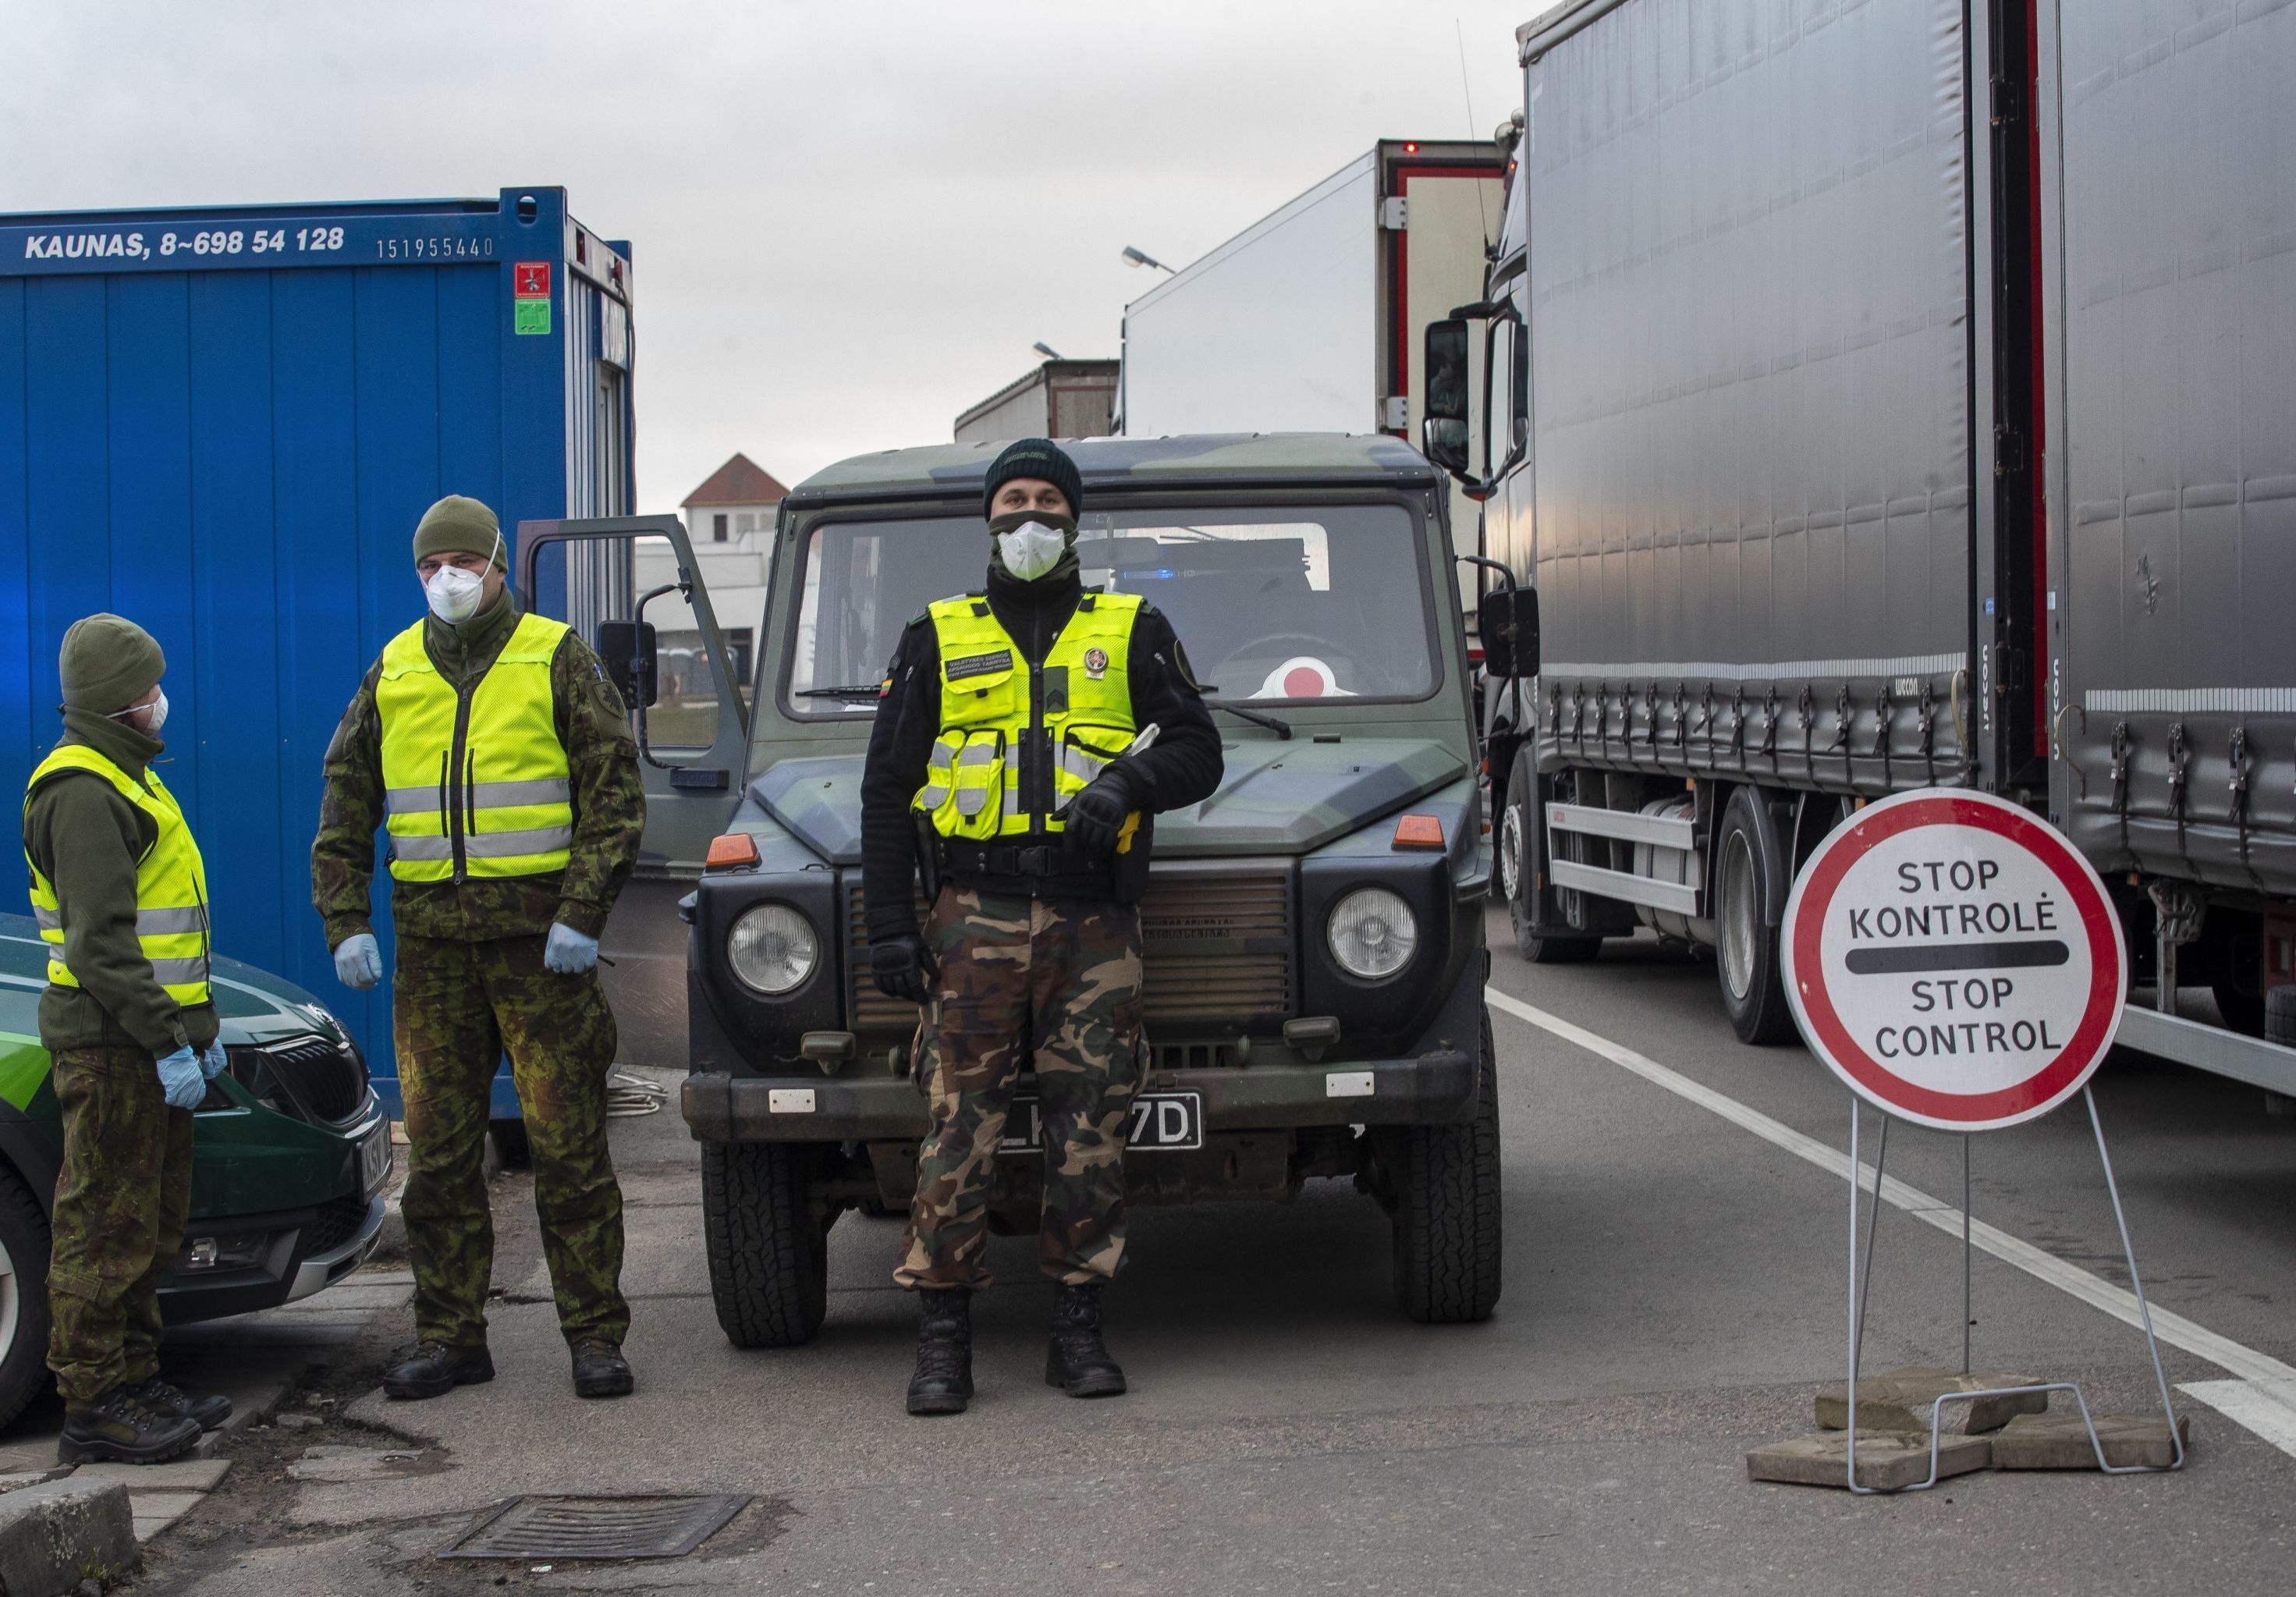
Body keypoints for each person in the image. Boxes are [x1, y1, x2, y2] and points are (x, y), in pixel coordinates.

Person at [860, 438, 1224, 1416]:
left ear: (1074, 518)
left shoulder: (1132, 627)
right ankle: (942, 1340)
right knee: (956, 1131)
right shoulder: (935, 636)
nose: (1030, 518)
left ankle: (1079, 1327)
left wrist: (1129, 781)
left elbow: (1199, 749)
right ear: (989, 518)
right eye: (1014, 501)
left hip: (1092, 921)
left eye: (1048, 503)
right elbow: (888, 792)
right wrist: (888, 930)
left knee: (1091, 1129)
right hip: (970, 916)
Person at [311, 495, 645, 1401]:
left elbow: (615, 793)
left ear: (499, 565)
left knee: (568, 1146)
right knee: (443, 1156)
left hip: (543, 950)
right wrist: (346, 920)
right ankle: (452, 1337)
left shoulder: (556, 656)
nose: (446, 580)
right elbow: (346, 803)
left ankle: (593, 1334)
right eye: (430, 567)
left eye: (462, 562)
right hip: (434, 958)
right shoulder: (393, 671)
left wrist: (584, 911)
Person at [23, 615, 232, 1464]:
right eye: (147, 688)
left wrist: (198, 1031)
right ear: (118, 702)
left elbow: (166, 933)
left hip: (145, 1043)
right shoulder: (81, 792)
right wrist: (167, 1040)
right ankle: (93, 1402)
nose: (159, 700)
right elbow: (101, 945)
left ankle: (136, 1376)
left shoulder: (127, 776)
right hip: (112, 1046)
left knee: (149, 1225)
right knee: (102, 1228)